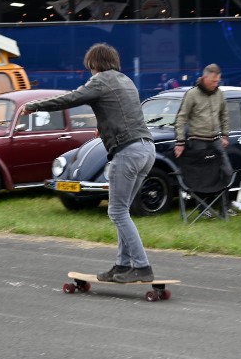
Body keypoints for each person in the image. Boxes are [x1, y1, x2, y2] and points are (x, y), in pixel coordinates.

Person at [23, 43, 156, 283]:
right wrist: (104, 129)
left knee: (117, 211)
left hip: (128, 152)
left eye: (90, 67)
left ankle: (142, 266)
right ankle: (122, 266)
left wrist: (34, 106)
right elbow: (121, 112)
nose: (89, 72)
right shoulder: (126, 80)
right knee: (122, 211)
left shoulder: (101, 80)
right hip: (147, 149)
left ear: (95, 64)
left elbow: (71, 98)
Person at [173, 63, 233, 179]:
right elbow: (181, 118)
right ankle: (203, 196)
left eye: (217, 81)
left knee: (227, 171)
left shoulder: (219, 93)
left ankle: (223, 196)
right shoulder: (192, 94)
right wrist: (180, 142)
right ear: (205, 78)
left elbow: (224, 114)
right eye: (213, 81)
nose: (216, 84)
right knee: (203, 176)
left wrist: (225, 135)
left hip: (216, 140)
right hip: (198, 141)